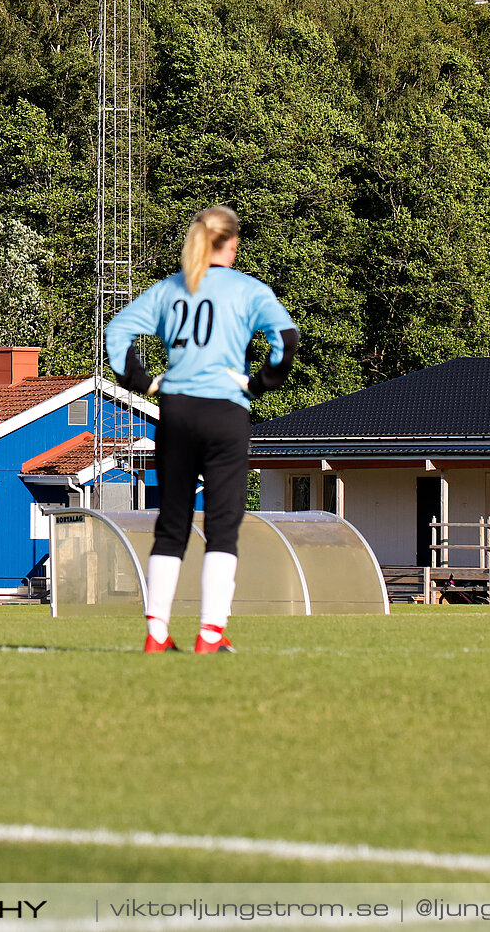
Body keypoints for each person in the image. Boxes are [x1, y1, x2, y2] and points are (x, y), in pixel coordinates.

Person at [105, 205, 298, 654]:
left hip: (176, 411)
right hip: (224, 412)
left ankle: (156, 634)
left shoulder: (170, 289)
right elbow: (286, 339)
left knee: (171, 525)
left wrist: (144, 382)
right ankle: (210, 634)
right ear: (230, 245)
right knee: (222, 525)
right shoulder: (248, 289)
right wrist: (259, 383)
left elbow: (117, 333)